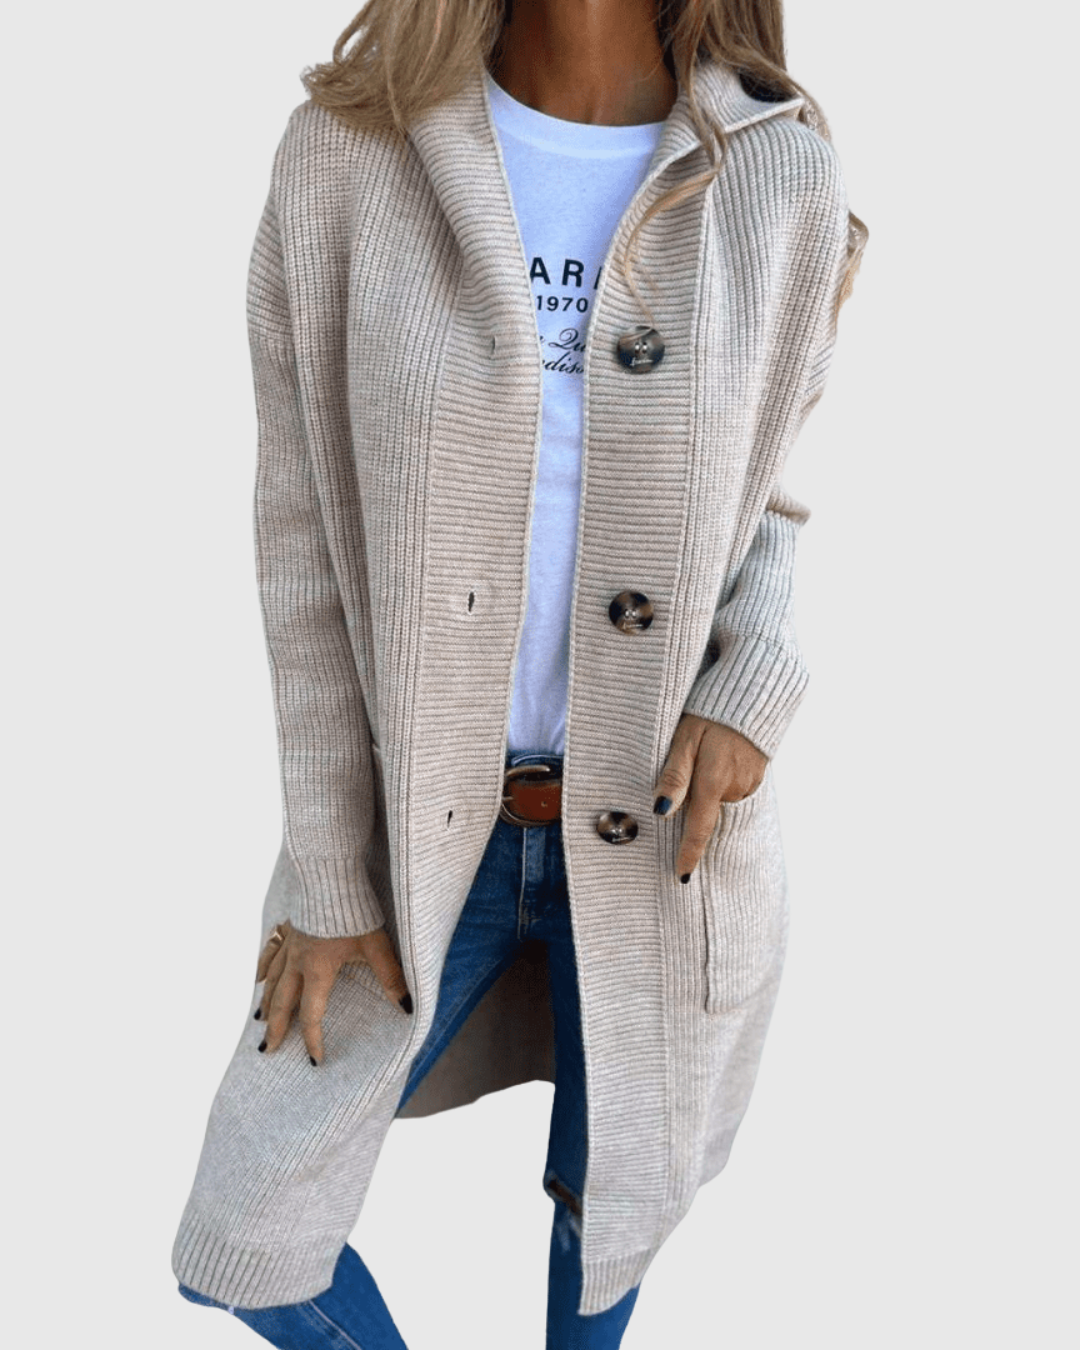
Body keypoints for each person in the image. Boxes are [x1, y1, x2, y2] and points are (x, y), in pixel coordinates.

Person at [171, 0, 867, 1345]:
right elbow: (301, 540)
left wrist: (755, 683)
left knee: (600, 1226)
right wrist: (329, 871)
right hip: (422, 841)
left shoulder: (775, 168)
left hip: (665, 838)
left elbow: (772, 491)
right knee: (246, 1241)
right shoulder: (349, 152)